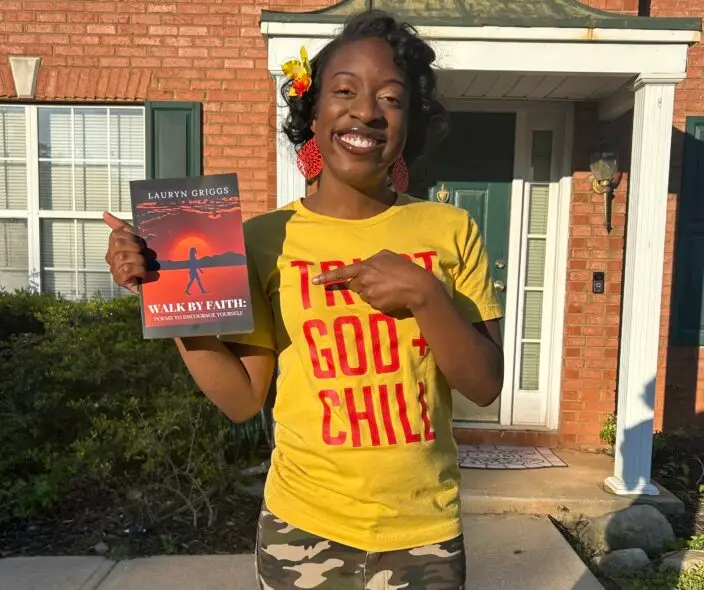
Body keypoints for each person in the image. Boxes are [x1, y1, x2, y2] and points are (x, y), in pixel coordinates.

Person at [103, 10, 504, 590]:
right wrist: (166, 296)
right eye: (344, 91)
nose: (366, 111)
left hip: (422, 533)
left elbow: (485, 385)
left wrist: (425, 295)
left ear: (409, 124)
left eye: (391, 99)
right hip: (302, 532)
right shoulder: (261, 239)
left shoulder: (449, 228)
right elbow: (243, 400)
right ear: (312, 112)